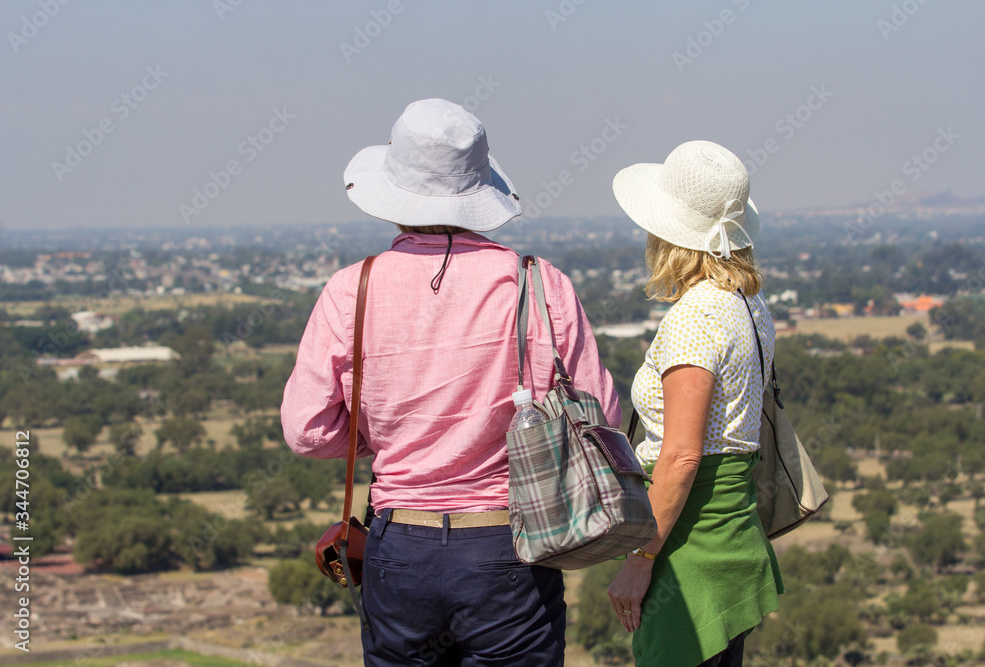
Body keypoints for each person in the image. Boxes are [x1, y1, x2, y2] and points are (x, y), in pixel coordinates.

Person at [281, 98, 620, 666]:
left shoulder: (351, 290)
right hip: (510, 542)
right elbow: (600, 415)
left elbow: (308, 432)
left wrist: (381, 433)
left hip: (400, 548)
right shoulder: (538, 285)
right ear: (479, 188)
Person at [606, 140, 783, 667]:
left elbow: (682, 456)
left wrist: (641, 560)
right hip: (731, 531)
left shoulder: (698, 315)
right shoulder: (748, 303)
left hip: (689, 541)